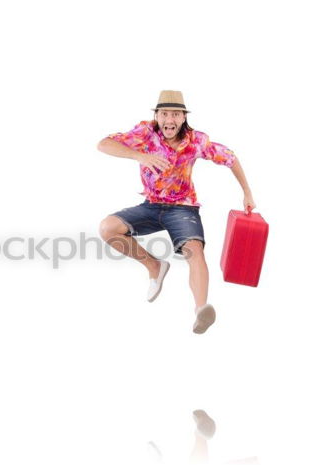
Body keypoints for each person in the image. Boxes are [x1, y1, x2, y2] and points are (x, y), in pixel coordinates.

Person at [98, 90, 255, 334]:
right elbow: (104, 144)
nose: (169, 119)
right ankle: (154, 267)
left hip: (183, 208)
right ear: (157, 116)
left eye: (175, 114)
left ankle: (202, 309)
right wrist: (139, 155)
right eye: (164, 114)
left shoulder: (196, 141)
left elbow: (230, 158)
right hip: (150, 206)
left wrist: (247, 192)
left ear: (183, 118)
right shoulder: (145, 133)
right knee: (108, 228)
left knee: (195, 251)